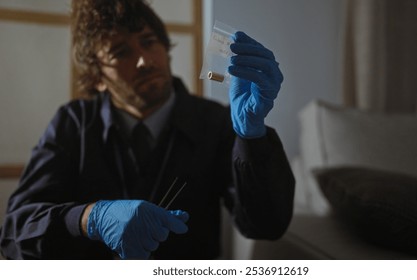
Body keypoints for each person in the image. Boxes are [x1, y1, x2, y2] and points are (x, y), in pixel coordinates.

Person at [0, 0, 294, 260]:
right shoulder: (73, 123)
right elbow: (15, 232)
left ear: (166, 49)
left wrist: (252, 135)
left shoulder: (215, 122)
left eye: (149, 42)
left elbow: (267, 226)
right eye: (120, 52)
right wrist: (90, 218)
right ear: (98, 77)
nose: (144, 61)